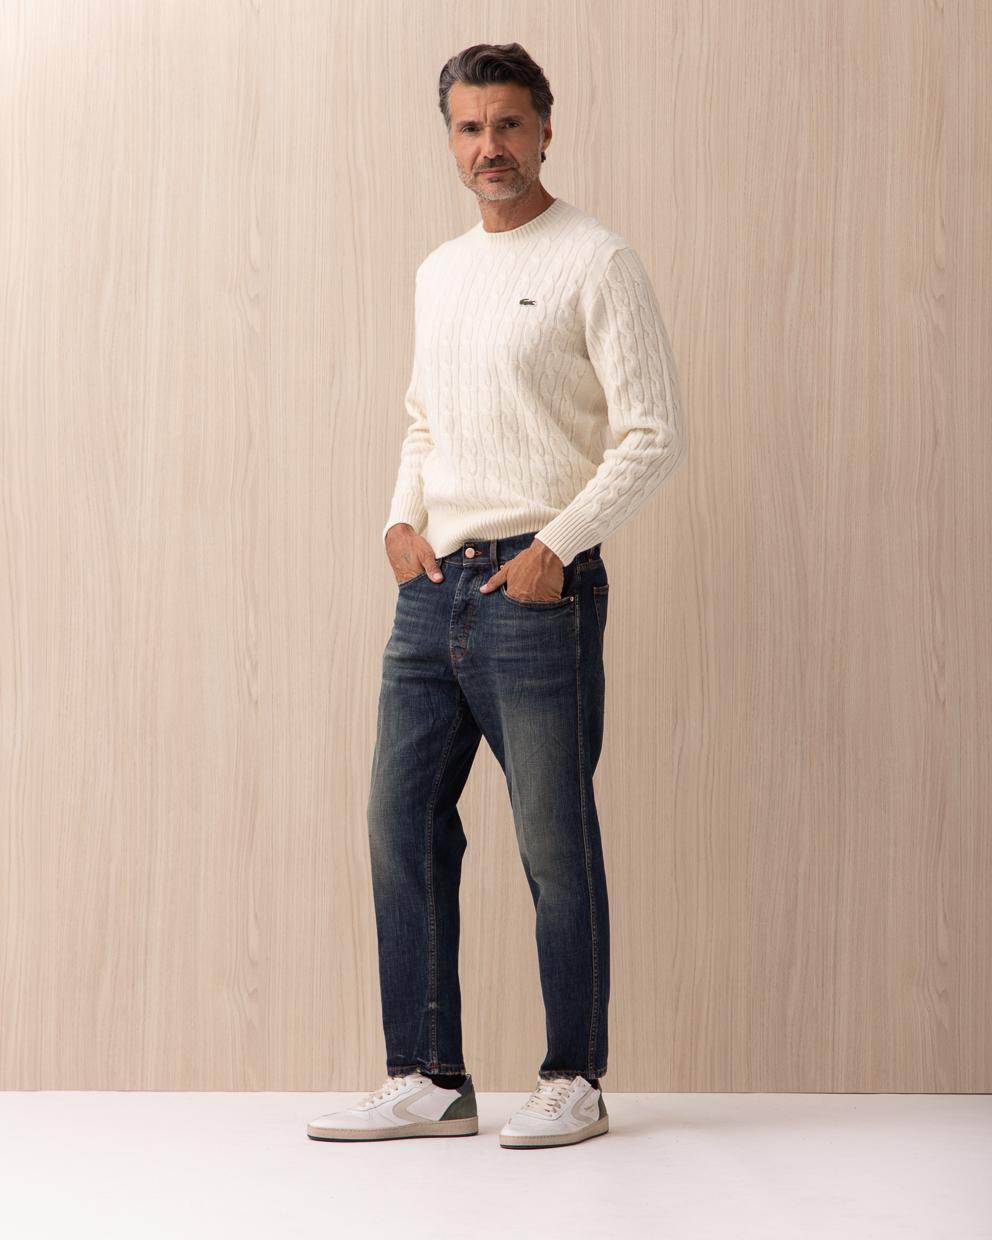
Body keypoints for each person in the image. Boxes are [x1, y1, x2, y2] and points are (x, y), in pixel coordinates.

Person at [308, 40, 685, 1150]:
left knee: (552, 841)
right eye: (471, 128)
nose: (491, 147)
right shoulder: (439, 271)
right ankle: (430, 1077)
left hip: (535, 589)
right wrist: (397, 523)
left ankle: (574, 1077)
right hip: (433, 588)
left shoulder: (596, 260)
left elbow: (652, 433)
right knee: (400, 824)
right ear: (450, 139)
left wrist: (556, 546)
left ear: (545, 130)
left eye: (509, 124)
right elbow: (426, 419)